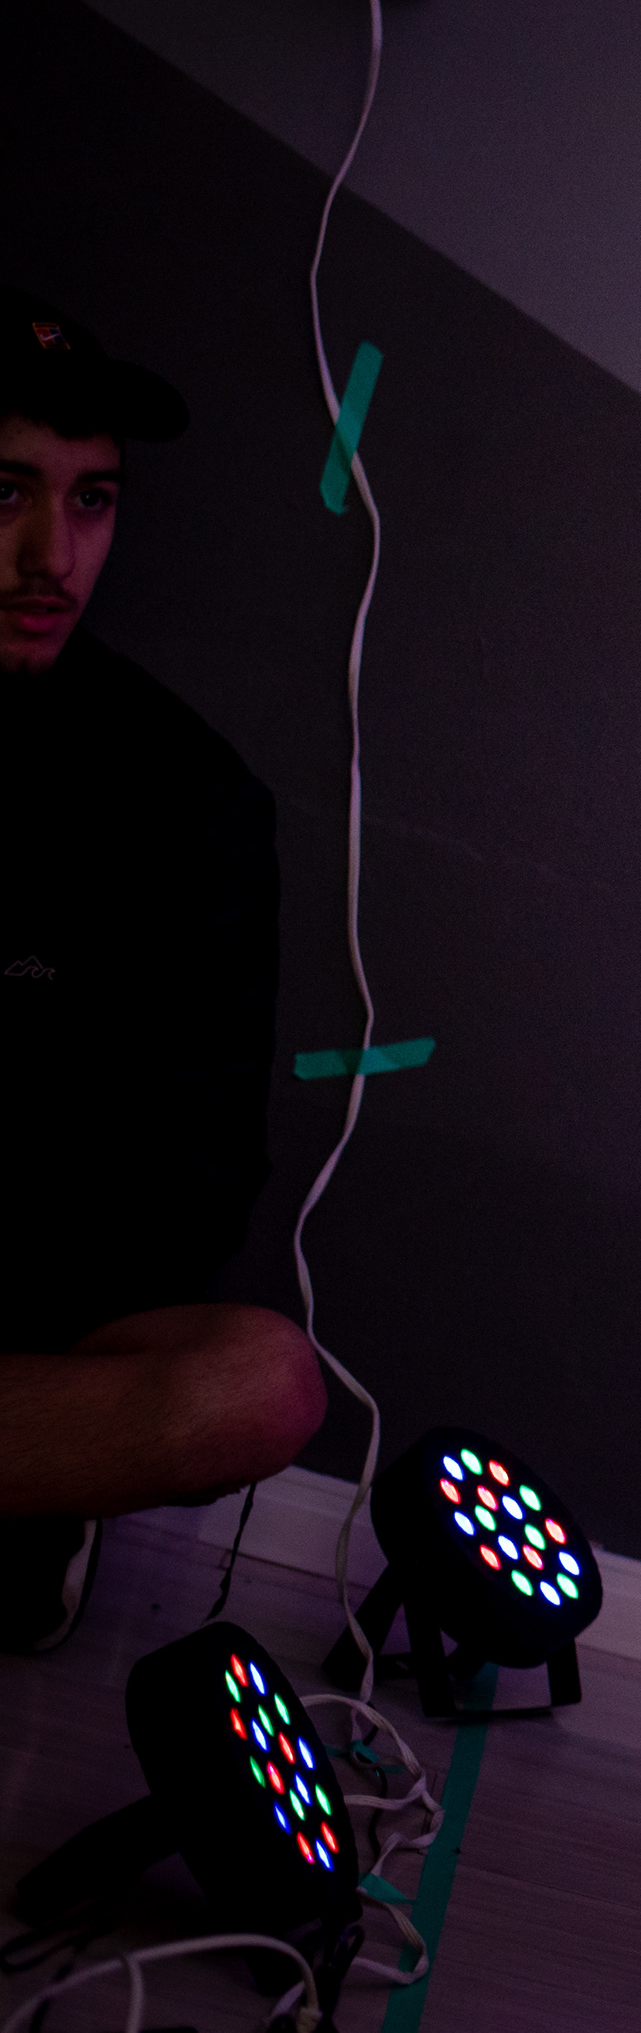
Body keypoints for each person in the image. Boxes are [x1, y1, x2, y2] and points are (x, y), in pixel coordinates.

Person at [0, 286, 326, 1652]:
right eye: (6, 493)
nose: (51, 556)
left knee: (262, 1386)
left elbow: (195, 1175)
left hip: (28, 1328)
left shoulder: (188, 803)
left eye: (92, 502)